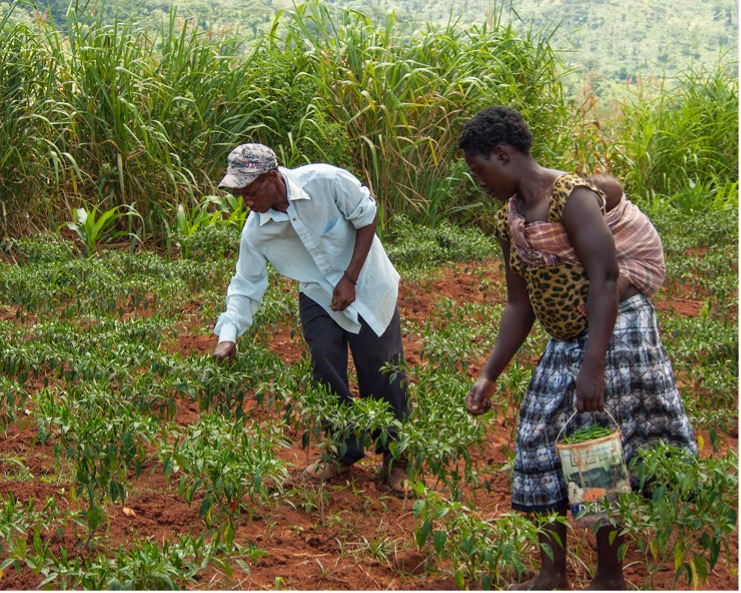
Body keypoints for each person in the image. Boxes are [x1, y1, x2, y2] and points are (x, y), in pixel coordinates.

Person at [458, 107, 697, 590]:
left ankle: (609, 577)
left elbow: (606, 279)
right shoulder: (511, 219)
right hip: (567, 335)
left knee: (602, 447)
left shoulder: (572, 196)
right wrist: (489, 374)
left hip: (617, 329)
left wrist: (593, 369)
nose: (478, 180)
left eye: (479, 169)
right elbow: (518, 306)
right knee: (537, 437)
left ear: (503, 155)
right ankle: (552, 575)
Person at [212, 143, 411, 497]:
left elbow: (367, 217)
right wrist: (228, 335)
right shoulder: (256, 232)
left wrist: (350, 277)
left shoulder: (325, 181)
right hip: (318, 293)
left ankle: (395, 458)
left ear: (272, 177)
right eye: (240, 196)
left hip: (366, 282)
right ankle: (340, 450)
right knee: (324, 364)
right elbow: (245, 286)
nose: (247, 202)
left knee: (382, 367)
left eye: (251, 192)